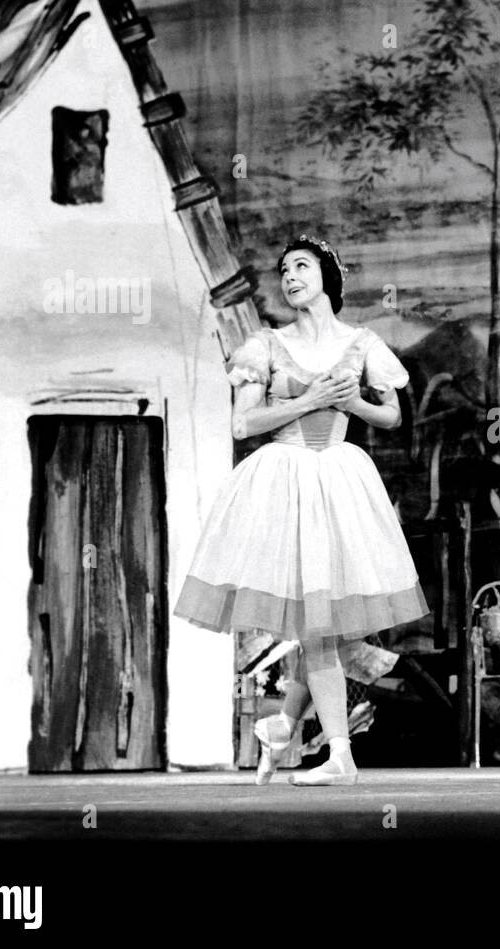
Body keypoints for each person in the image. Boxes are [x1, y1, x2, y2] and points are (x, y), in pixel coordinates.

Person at [175, 235, 428, 786]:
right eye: (284, 269)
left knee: (326, 627)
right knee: (321, 629)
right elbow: (244, 425)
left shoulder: (362, 343)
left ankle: (284, 727)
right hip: (284, 481)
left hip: (338, 482)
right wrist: (305, 402)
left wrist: (349, 402)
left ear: (327, 278)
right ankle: (340, 754)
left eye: (302, 267)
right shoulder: (264, 345)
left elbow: (392, 416)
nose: (290, 277)